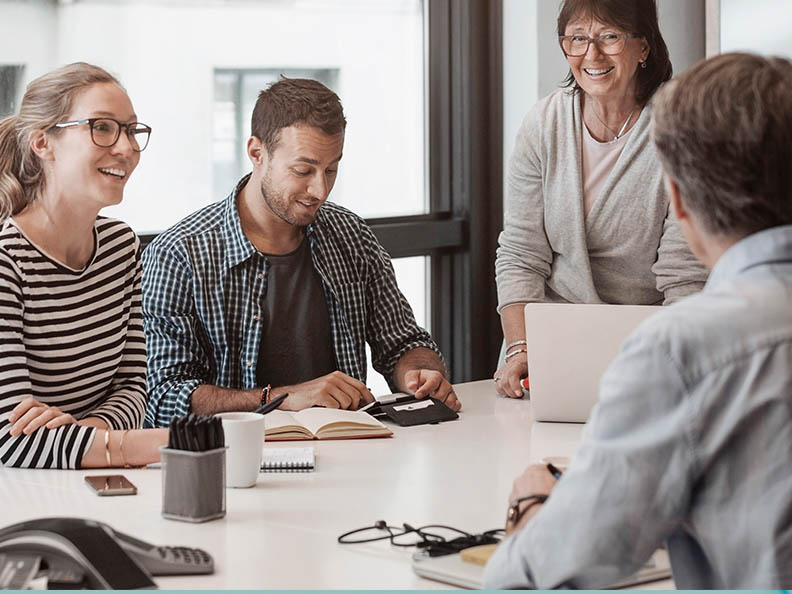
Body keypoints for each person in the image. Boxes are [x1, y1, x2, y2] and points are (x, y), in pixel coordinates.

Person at [484, 52, 792, 589]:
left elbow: (542, 578)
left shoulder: (684, 353)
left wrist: (534, 505)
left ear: (677, 199)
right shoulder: (546, 122)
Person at [142, 77, 459, 427]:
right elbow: (164, 398)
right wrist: (283, 398)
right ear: (256, 153)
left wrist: (420, 372)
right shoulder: (179, 254)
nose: (320, 189)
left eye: (331, 169)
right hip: (237, 467)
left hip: (351, 453)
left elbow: (404, 342)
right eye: (303, 170)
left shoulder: (350, 235)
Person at [493, 0, 707, 399]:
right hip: (545, 355)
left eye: (609, 36)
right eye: (577, 39)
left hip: (645, 350)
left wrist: (673, 366)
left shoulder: (681, 129)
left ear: (643, 47)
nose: (592, 54)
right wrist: (520, 349)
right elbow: (521, 254)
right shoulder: (543, 124)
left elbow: (685, 276)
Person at [0, 62, 168, 469]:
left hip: (88, 477)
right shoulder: (7, 262)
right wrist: (165, 442)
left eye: (131, 130)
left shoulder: (120, 245)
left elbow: (132, 387)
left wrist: (85, 434)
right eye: (102, 127)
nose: (126, 148)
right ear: (44, 143)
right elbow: (12, 442)